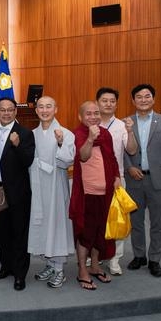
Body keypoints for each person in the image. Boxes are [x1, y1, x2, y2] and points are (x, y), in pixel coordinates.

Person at [124, 84, 161, 278]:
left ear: (153, 99)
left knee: (158, 222)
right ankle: (139, 255)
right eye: (139, 97)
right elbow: (120, 150)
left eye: (147, 96)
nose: (143, 99)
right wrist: (129, 167)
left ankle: (155, 259)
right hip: (135, 178)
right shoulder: (126, 122)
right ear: (133, 101)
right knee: (136, 221)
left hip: (159, 178)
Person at [69, 101, 120, 290]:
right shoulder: (77, 134)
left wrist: (117, 176)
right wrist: (90, 138)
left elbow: (112, 158)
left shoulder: (105, 134)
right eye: (88, 114)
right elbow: (82, 156)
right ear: (81, 117)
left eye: (96, 113)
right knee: (85, 233)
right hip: (87, 193)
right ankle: (82, 269)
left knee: (101, 232)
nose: (93, 117)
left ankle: (95, 265)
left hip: (106, 191)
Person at [0, 97, 35, 291]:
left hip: (18, 192)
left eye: (10, 110)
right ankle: (5, 266)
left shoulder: (25, 133)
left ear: (16, 112)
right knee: (1, 232)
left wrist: (17, 145)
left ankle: (20, 274)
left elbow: (28, 161)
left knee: (19, 233)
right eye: (2, 110)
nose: (6, 113)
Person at [27, 96, 75, 289]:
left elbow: (67, 161)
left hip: (56, 186)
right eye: (41, 107)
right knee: (42, 224)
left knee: (57, 225)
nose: (44, 110)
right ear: (36, 110)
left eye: (49, 107)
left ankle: (59, 269)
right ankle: (49, 264)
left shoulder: (65, 133)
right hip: (38, 186)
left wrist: (62, 143)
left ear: (56, 109)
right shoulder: (32, 134)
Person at [96, 87, 138, 276]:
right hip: (94, 180)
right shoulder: (91, 123)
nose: (108, 104)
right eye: (104, 100)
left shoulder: (122, 125)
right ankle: (94, 255)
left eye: (112, 101)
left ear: (116, 103)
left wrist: (130, 132)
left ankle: (115, 259)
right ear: (97, 102)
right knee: (96, 219)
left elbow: (131, 150)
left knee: (117, 220)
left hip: (116, 180)